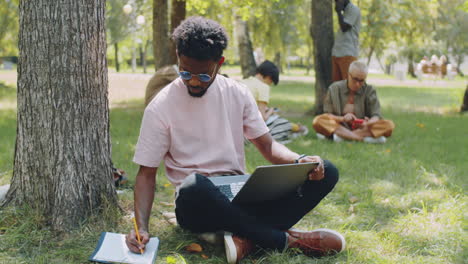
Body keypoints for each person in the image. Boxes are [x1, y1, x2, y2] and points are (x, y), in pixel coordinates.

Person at [125, 16, 345, 263]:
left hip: (240, 192)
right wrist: (141, 227)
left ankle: (245, 238)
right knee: (193, 186)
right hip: (198, 203)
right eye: (186, 73)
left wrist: (302, 159)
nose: (194, 81)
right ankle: (284, 240)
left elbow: (268, 147)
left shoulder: (237, 93)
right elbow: (146, 173)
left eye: (204, 75)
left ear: (220, 63)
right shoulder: (160, 107)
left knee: (328, 171)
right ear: (178, 56)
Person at [313, 61, 395, 143]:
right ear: (348, 75)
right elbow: (328, 115)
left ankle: (343, 137)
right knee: (318, 120)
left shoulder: (369, 90)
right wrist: (343, 119)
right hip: (340, 126)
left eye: (361, 81)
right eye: (355, 79)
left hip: (363, 128)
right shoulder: (334, 88)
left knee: (389, 125)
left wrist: (368, 123)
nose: (357, 84)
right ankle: (362, 139)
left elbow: (376, 115)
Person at [240, 60, 308, 143]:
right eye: (271, 81)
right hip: (247, 130)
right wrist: (270, 111)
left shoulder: (243, 82)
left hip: (234, 127)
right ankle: (295, 129)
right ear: (269, 77)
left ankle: (294, 129)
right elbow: (262, 118)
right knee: (279, 120)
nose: (270, 84)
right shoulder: (263, 87)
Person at [331, 0, 361, 82]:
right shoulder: (345, 12)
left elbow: (344, 28)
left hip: (348, 53)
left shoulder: (354, 9)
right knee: (337, 86)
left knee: (349, 85)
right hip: (337, 53)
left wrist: (338, 12)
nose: (336, 2)